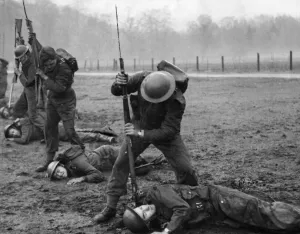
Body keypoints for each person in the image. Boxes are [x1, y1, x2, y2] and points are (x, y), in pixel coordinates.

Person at [94, 68, 198, 223]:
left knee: (186, 169)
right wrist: (118, 83)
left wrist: (140, 133)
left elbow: (169, 131)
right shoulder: (142, 78)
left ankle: (191, 202)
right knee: (121, 163)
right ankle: (110, 207)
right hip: (139, 125)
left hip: (164, 134)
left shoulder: (177, 100)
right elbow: (117, 91)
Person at [122, 184, 300, 234]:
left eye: (141, 207)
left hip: (218, 198)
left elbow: (182, 208)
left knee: (260, 210)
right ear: (148, 221)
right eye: (144, 214)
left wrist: (166, 232)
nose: (145, 208)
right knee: (261, 225)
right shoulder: (160, 217)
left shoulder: (157, 193)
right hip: (218, 214)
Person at [35, 45, 84, 172]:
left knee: (69, 131)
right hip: (52, 100)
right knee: (49, 128)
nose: (48, 66)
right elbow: (37, 48)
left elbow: (59, 87)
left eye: (50, 63)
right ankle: (49, 159)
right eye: (46, 64)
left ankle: (81, 153)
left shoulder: (65, 68)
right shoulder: (44, 62)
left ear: (55, 58)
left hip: (66, 100)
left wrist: (44, 77)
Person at [46, 145, 165, 185]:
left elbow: (98, 175)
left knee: (139, 161)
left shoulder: (77, 163)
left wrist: (82, 178)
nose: (59, 174)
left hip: (110, 155)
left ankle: (165, 158)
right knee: (136, 169)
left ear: (61, 165)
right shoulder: (70, 167)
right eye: (57, 175)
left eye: (58, 170)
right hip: (108, 162)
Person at [4, 114, 117, 145]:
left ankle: (106, 138)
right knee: (80, 131)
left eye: (13, 132)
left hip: (56, 131)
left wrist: (12, 140)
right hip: (55, 128)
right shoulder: (25, 123)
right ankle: (104, 130)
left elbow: (24, 140)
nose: (15, 135)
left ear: (15, 127)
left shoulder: (24, 125)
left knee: (78, 136)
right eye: (13, 135)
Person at [12, 44, 45, 134]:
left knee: (33, 116)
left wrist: (19, 74)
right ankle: (22, 128)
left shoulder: (32, 65)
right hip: (27, 91)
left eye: (21, 58)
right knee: (17, 109)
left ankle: (48, 132)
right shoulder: (26, 60)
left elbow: (27, 83)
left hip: (32, 90)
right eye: (19, 59)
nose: (21, 61)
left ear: (26, 55)